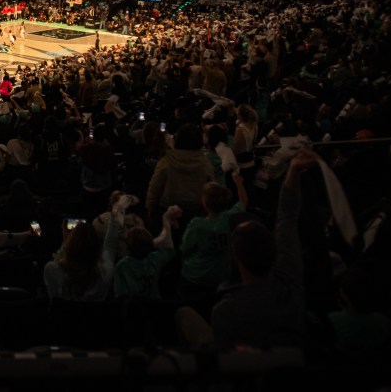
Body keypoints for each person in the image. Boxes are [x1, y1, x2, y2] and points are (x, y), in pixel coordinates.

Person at [175, 148, 316, 350]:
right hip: (290, 356)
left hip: (241, 361)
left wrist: (293, 170)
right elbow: (287, 217)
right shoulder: (290, 281)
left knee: (183, 313)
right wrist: (293, 171)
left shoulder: (226, 310)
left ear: (236, 257)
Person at [44, 193, 131, 302]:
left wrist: (66, 241)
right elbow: (110, 246)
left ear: (70, 248)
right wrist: (115, 215)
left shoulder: (51, 270)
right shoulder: (105, 274)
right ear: (96, 249)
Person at [177, 171, 248, 303]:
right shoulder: (230, 218)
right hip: (221, 275)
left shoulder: (197, 225)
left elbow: (185, 250)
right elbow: (243, 201)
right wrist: (239, 183)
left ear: (205, 202)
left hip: (195, 277)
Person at [145, 123, 215, 225]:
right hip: (195, 209)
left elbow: (155, 185)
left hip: (168, 208)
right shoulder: (205, 162)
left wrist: (150, 206)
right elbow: (211, 186)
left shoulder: (167, 161)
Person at [113, 206, 183, 299]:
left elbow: (119, 293)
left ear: (128, 247)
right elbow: (169, 249)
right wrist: (166, 220)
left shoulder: (122, 266)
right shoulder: (155, 258)